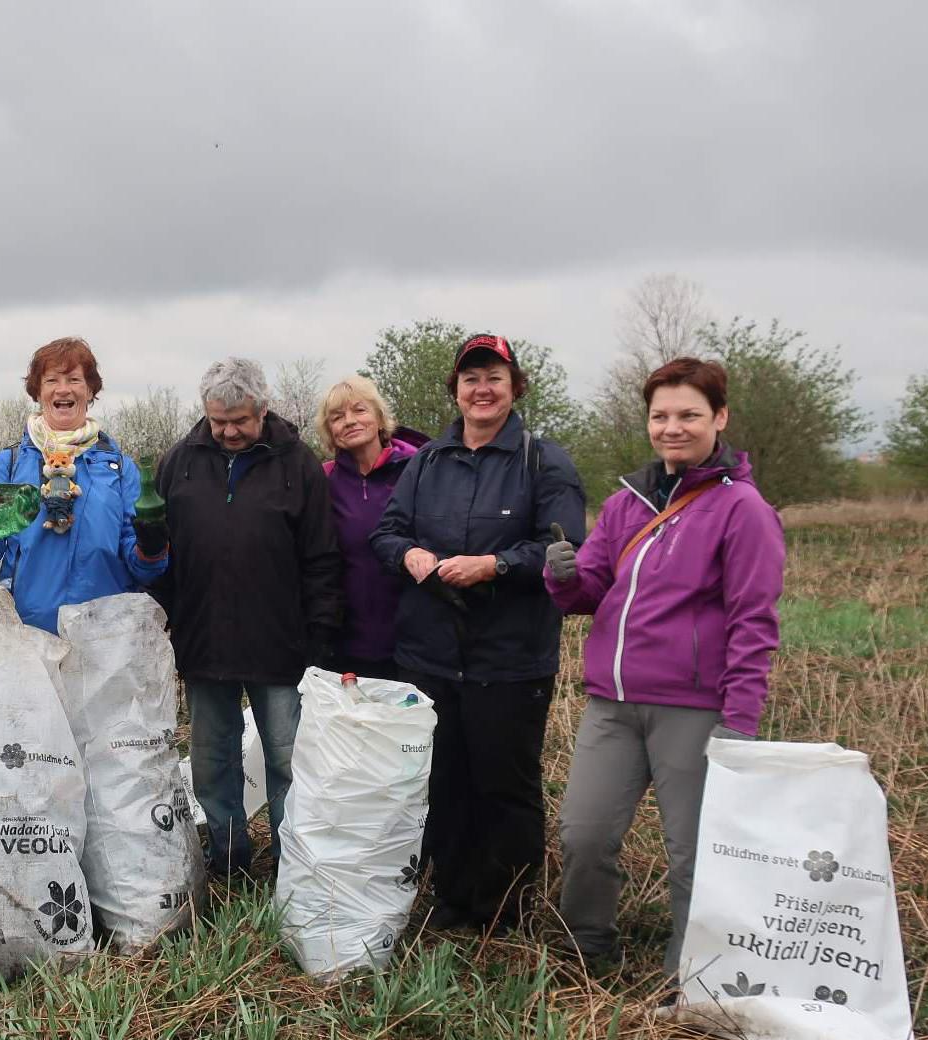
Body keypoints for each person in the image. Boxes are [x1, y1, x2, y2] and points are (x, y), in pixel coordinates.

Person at [547, 357, 784, 982]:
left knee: (694, 855)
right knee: (584, 835)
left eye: (689, 415)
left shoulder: (744, 510)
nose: (672, 427)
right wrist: (562, 574)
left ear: (720, 418)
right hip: (611, 705)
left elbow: (754, 624)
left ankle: (696, 976)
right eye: (661, 415)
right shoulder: (629, 502)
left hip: (694, 710)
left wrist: (740, 719)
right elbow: (589, 591)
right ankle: (588, 952)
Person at [370, 333, 586, 930]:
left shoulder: (545, 461)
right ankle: (451, 901)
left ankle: (505, 912)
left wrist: (496, 566)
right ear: (456, 391)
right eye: (470, 379)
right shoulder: (427, 463)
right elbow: (386, 532)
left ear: (515, 389)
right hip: (430, 656)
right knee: (443, 782)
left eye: (494, 377)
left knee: (505, 787)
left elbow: (564, 547)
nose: (482, 389)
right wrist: (409, 555)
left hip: (510, 660)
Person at [155, 357, 342, 878]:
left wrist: (321, 638)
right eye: (219, 421)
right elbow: (159, 555)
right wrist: (165, 626)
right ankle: (228, 858)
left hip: (280, 646)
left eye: (240, 420)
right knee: (213, 765)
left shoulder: (297, 464)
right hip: (203, 643)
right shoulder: (180, 462)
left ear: (263, 408)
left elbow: (322, 558)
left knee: (286, 763)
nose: (230, 431)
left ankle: (291, 866)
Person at [0, 336, 168, 635]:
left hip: (106, 638)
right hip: (29, 636)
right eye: (51, 380)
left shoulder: (121, 469)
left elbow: (144, 567)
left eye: (74, 379)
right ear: (37, 392)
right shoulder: (11, 464)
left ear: (90, 390)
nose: (63, 388)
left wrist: (153, 547)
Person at [318, 374, 428, 678]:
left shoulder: (420, 468)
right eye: (337, 417)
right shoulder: (323, 480)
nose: (350, 421)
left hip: (413, 638)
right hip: (346, 641)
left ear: (379, 417)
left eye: (359, 410)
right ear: (329, 431)